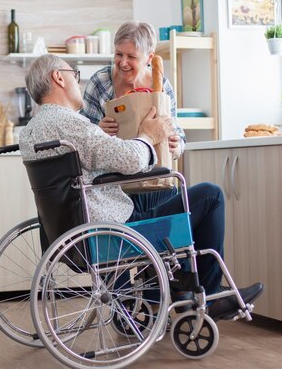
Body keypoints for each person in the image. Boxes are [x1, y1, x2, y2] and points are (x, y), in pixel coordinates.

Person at [19, 54, 263, 320]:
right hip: (112, 234)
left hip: (72, 234)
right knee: (210, 195)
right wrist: (148, 134)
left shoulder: (31, 130)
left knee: (166, 199)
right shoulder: (70, 123)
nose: (78, 83)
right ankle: (210, 295)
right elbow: (130, 159)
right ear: (58, 77)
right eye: (74, 76)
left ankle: (173, 293)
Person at [81, 21, 184, 160]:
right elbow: (82, 140)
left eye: (131, 56)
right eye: (119, 54)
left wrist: (176, 147)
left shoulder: (162, 86)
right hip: (112, 174)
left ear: (149, 57)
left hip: (155, 174)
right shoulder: (100, 82)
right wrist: (97, 131)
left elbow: (179, 137)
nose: (123, 63)